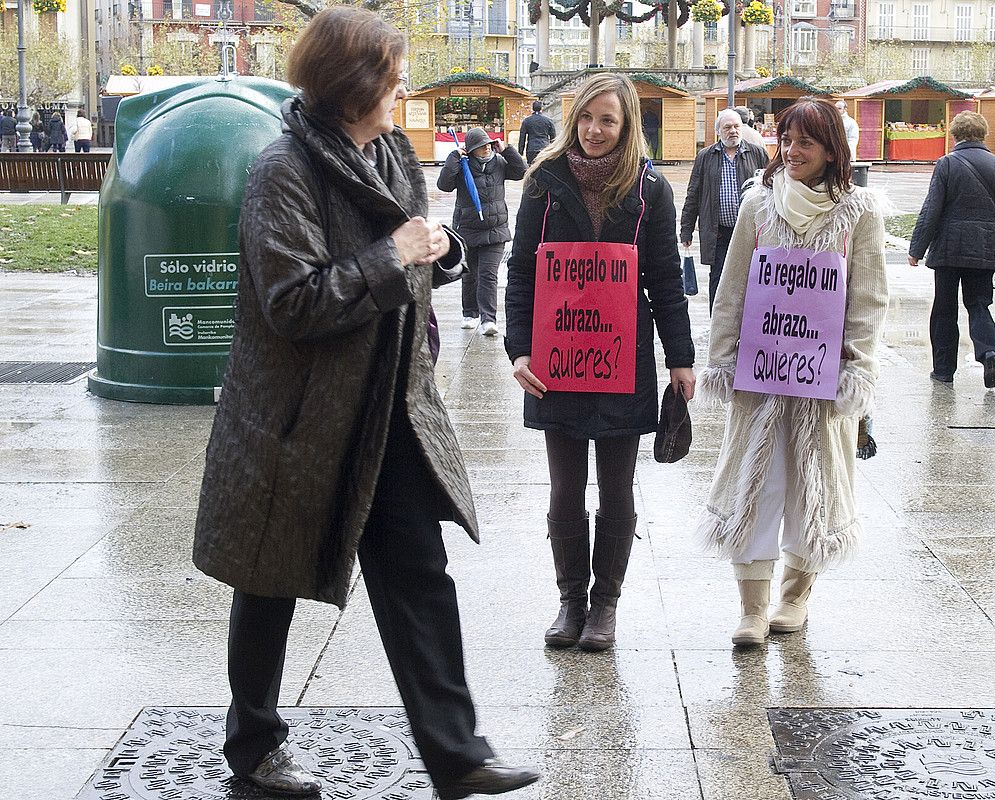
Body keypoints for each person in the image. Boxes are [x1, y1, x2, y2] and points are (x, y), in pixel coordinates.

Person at [190, 8, 539, 799]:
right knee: (270, 575)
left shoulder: (387, 151)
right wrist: (394, 254)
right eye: (392, 76)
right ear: (352, 86)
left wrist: (435, 258)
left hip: (392, 407)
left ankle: (458, 754)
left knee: (419, 568)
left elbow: (401, 267)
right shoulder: (283, 170)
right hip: (301, 419)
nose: (402, 89)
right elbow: (292, 302)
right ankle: (254, 745)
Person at [505, 73, 695, 652]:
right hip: (556, 360)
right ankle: (570, 601)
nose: (594, 131)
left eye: (607, 120)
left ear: (626, 124)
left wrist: (680, 359)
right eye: (586, 118)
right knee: (565, 488)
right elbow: (521, 270)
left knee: (616, 490)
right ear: (573, 118)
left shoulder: (650, 189)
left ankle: (604, 606)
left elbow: (665, 278)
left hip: (622, 356)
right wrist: (520, 349)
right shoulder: (544, 179)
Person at [696, 99, 888, 647]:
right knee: (754, 484)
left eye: (807, 142)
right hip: (761, 375)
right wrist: (725, 359)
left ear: (832, 148)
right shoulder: (759, 204)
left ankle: (795, 598)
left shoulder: (860, 211)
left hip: (823, 381)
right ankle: (752, 608)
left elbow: (869, 297)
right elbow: (731, 290)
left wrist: (856, 368)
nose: (794, 151)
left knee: (814, 486)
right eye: (787, 139)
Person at [908, 111, 995, 388]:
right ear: (983, 134)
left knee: (944, 309)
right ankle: (988, 351)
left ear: (954, 135)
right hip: (985, 245)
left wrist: (917, 248)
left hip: (949, 247)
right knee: (979, 304)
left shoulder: (947, 164)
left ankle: (943, 370)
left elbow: (931, 209)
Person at [437, 126, 526, 335]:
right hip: (467, 228)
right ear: (470, 150)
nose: (486, 149)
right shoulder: (462, 166)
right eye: (480, 147)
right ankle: (469, 313)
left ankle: (488, 319)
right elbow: (444, 185)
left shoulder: (499, 163)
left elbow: (521, 171)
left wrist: (507, 150)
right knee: (470, 275)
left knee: (488, 275)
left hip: (495, 229)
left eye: (487, 145)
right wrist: (453, 158)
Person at [680, 108, 769, 313]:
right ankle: (718, 323)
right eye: (727, 127)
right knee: (719, 278)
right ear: (718, 131)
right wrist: (686, 230)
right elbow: (693, 193)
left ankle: (748, 322)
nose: (733, 131)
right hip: (717, 231)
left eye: (736, 126)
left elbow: (772, 190)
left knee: (750, 277)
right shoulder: (705, 156)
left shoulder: (757, 153)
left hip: (749, 232)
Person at [518, 100, 555, 165]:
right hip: (544, 147)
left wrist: (520, 151)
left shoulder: (527, 121)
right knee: (544, 167)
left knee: (531, 168)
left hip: (531, 148)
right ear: (541, 108)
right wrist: (553, 150)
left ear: (532, 109)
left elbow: (522, 137)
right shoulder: (548, 121)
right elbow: (553, 137)